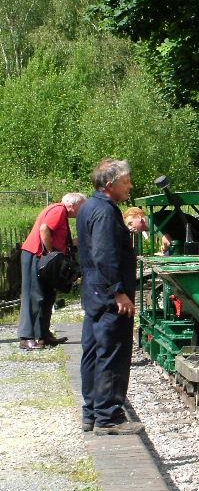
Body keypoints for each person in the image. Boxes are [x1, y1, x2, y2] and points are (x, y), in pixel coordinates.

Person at [77, 158, 143, 435]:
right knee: (112, 352)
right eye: (126, 182)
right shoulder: (104, 212)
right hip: (108, 293)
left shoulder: (89, 207)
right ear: (110, 184)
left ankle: (92, 411)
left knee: (93, 350)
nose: (129, 187)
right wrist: (119, 292)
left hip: (94, 290)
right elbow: (104, 254)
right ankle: (109, 417)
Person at [18, 192, 86, 350]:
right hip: (36, 255)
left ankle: (43, 335)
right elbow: (44, 229)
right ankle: (26, 337)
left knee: (47, 295)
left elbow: (60, 238)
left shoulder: (61, 213)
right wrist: (51, 254)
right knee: (33, 295)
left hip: (42, 257)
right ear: (72, 205)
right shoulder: (59, 210)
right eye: (82, 206)